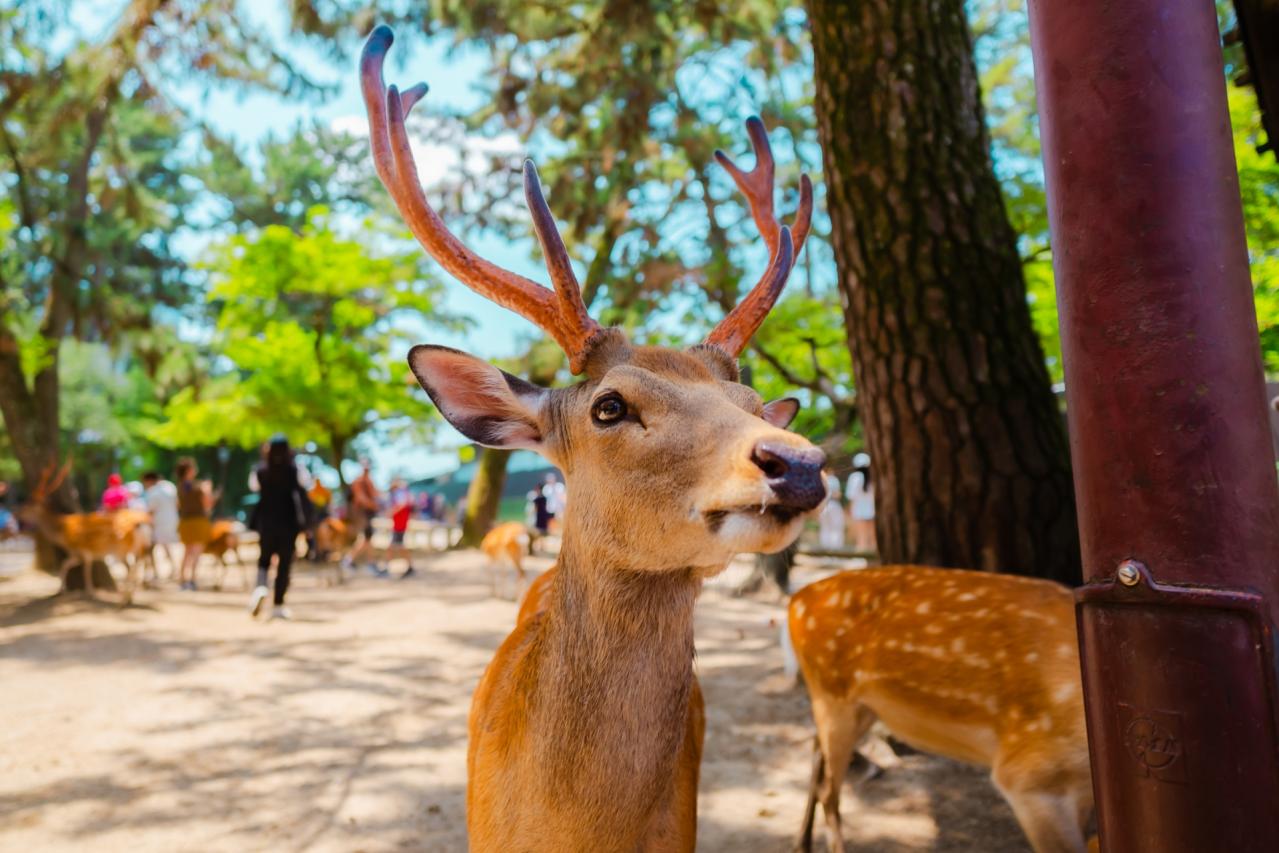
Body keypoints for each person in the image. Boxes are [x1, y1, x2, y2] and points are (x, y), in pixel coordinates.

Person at [248, 436, 312, 620]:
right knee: (284, 564)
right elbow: (305, 487)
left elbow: (253, 487)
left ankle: (261, 587)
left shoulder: (260, 469)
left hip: (266, 522)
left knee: (264, 559)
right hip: (288, 523)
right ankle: (278, 605)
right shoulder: (295, 469)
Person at [176, 457, 217, 590]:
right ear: (189, 470)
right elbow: (208, 503)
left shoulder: (180, 486)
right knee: (196, 552)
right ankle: (192, 580)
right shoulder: (199, 486)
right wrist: (209, 490)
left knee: (187, 552)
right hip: (199, 521)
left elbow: (178, 504)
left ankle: (182, 580)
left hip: (185, 522)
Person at [343, 458, 385, 576]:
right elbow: (361, 499)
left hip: (367, 514)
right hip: (363, 514)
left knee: (368, 538)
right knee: (367, 538)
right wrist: (375, 505)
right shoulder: (359, 481)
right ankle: (350, 560)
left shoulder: (368, 481)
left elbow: (375, 494)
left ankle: (365, 562)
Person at [141, 471, 180, 578]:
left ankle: (154, 572)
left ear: (149, 481)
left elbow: (150, 511)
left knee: (151, 547)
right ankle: (173, 568)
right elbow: (177, 504)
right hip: (173, 520)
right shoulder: (170, 486)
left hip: (158, 523)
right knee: (166, 545)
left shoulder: (153, 491)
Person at [846, 452, 876, 555]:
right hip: (872, 510)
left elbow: (851, 496)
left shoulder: (854, 477)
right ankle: (872, 557)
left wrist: (849, 510)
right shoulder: (874, 476)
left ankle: (862, 557)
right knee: (872, 536)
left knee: (861, 536)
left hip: (859, 511)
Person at [386, 478, 417, 579]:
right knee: (398, 546)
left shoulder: (399, 493)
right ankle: (409, 567)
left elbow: (402, 504)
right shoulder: (401, 493)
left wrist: (392, 512)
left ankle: (388, 568)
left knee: (395, 546)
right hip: (399, 523)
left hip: (400, 524)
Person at [819, 471, 846, 549]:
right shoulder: (833, 479)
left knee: (825, 528)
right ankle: (836, 550)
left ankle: (825, 550)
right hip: (833, 505)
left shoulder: (820, 479)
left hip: (823, 506)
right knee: (836, 529)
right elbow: (836, 494)